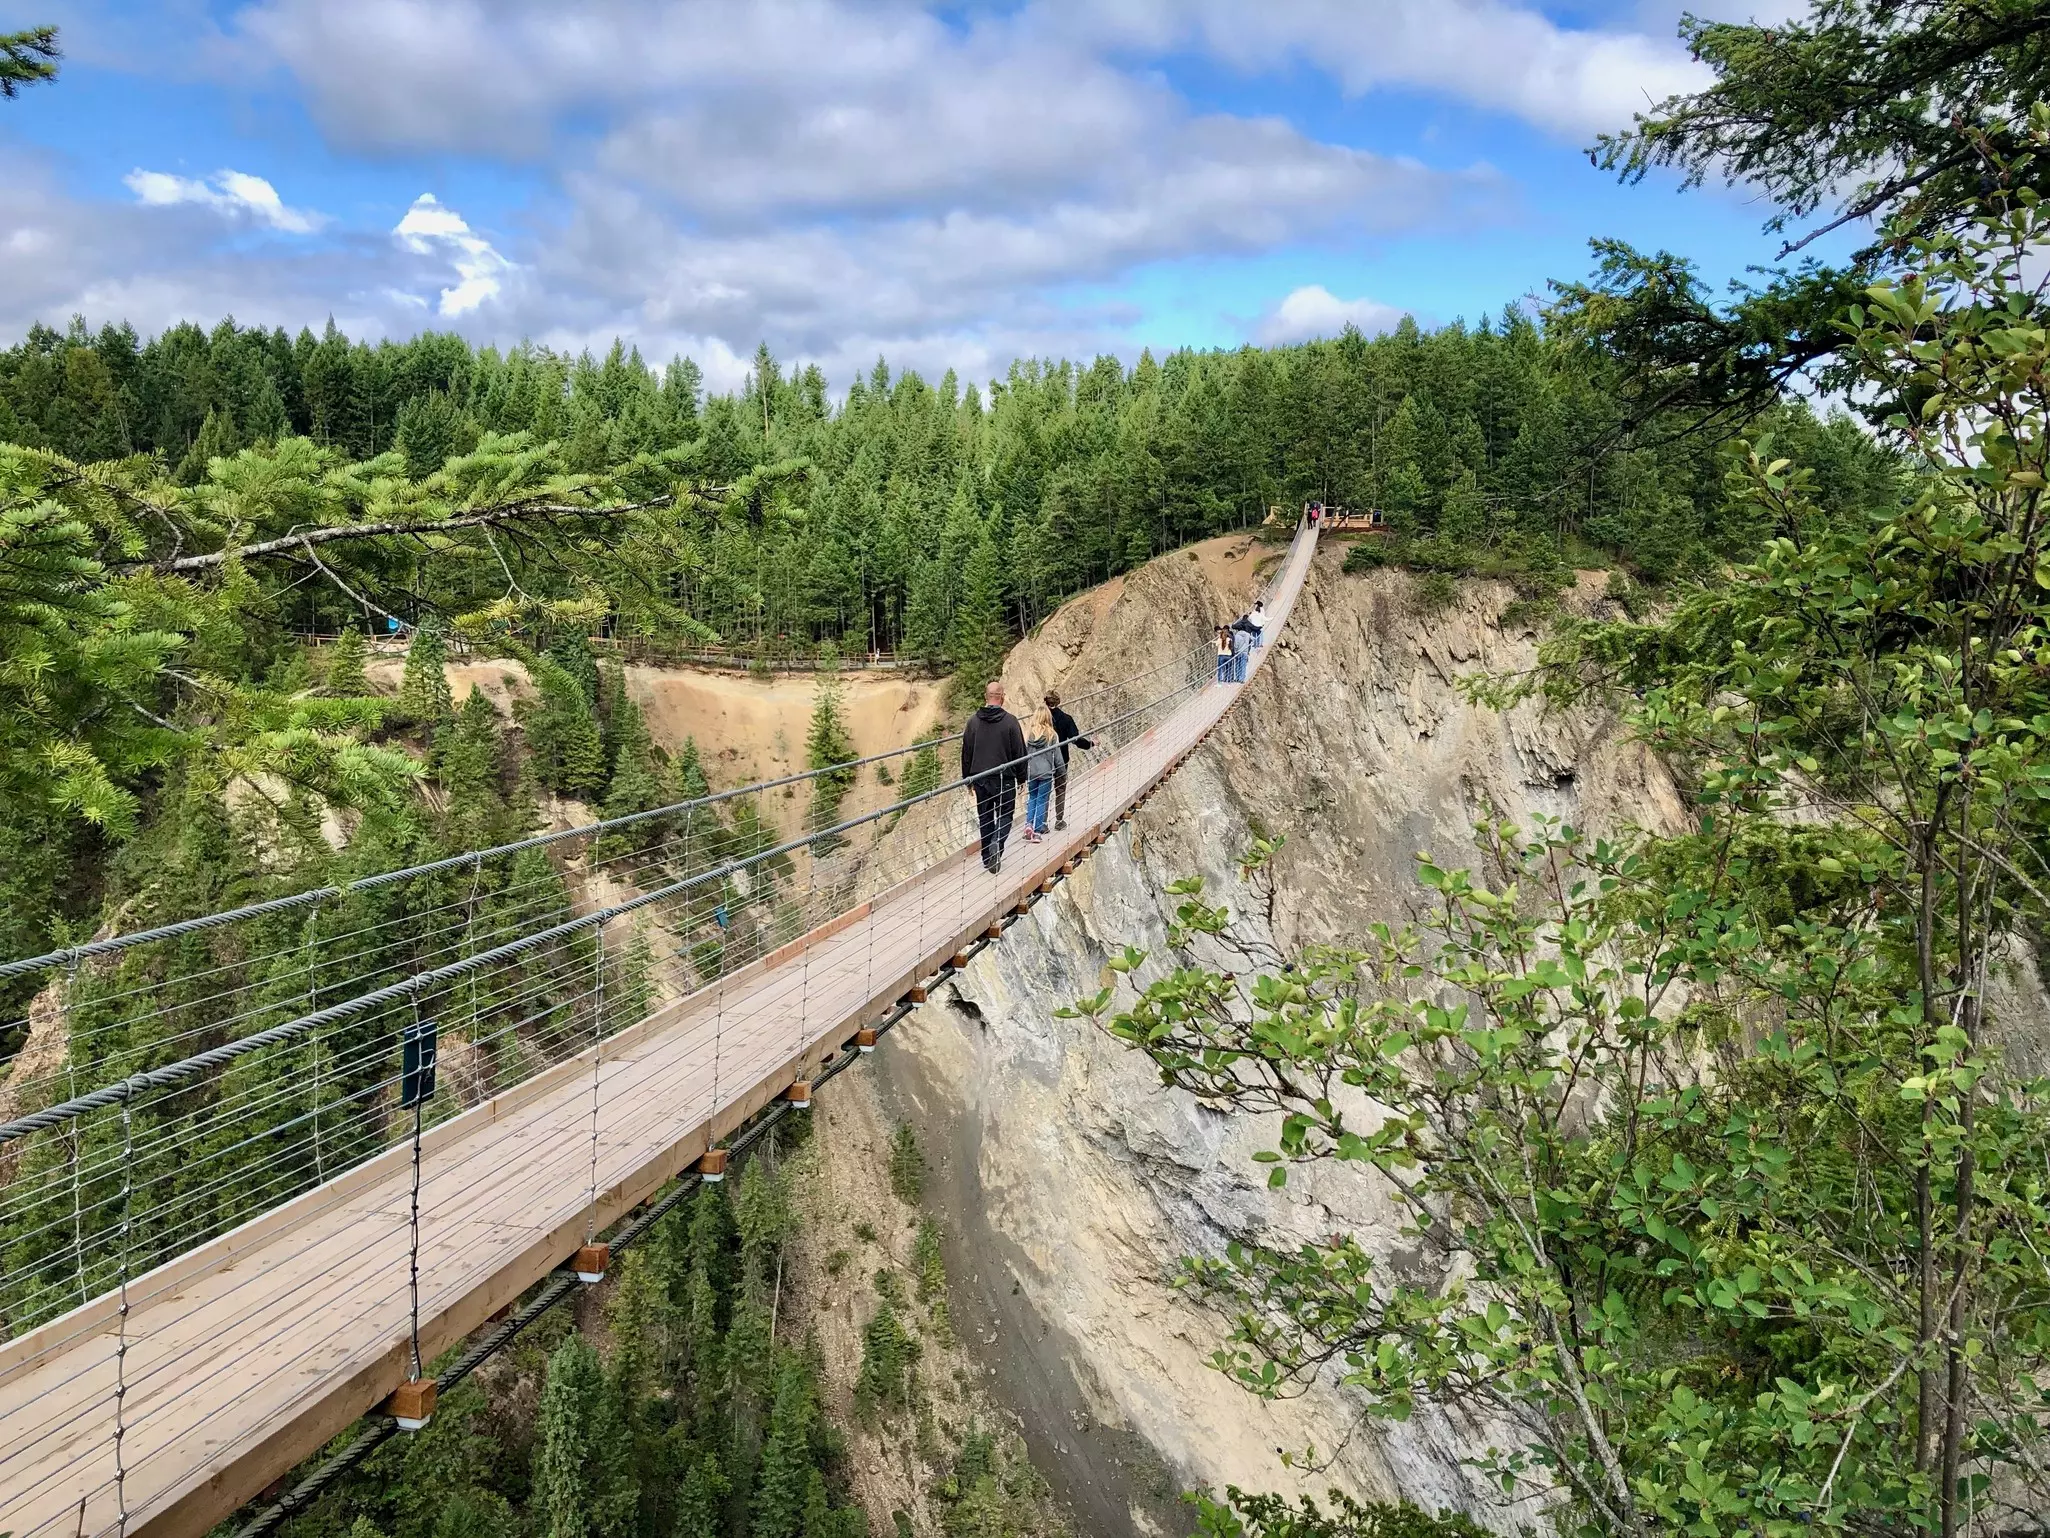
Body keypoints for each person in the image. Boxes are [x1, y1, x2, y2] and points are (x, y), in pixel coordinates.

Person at [961, 680, 1025, 873]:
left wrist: (967, 779)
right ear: (1002, 697)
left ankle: (987, 858)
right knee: (1005, 814)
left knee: (986, 817)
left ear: (985, 696)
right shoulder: (1011, 721)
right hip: (1004, 778)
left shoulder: (972, 722)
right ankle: (997, 843)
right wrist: (1022, 777)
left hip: (980, 778)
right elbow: (1019, 751)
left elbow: (966, 753)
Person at [1043, 690, 1092, 831]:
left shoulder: (1041, 719)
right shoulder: (1066, 719)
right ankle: (1059, 821)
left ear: (1045, 701)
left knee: (1044, 791)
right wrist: (1090, 744)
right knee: (1060, 789)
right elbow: (1075, 739)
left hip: (1044, 760)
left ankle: (1043, 823)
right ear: (1058, 702)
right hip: (1062, 759)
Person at [1022, 704, 1060, 842]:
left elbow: (1024, 755)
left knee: (1032, 797)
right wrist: (1061, 771)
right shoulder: (1052, 735)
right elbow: (1058, 757)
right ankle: (1037, 830)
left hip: (1031, 772)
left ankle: (1028, 824)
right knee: (1042, 800)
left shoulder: (1029, 734)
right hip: (1046, 773)